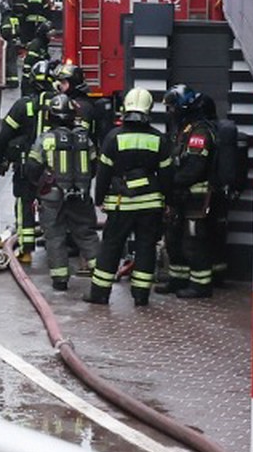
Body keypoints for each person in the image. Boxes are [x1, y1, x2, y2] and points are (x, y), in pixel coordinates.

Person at [86, 88, 172, 307]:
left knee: (111, 247)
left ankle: (100, 293)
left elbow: (103, 172)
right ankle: (141, 295)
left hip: (121, 203)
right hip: (151, 204)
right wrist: (168, 201)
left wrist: (99, 199)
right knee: (145, 247)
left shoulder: (113, 137)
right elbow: (166, 176)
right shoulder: (158, 139)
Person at [25, 93, 98, 291]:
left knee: (55, 236)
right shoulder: (85, 139)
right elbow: (94, 166)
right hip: (81, 195)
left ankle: (60, 279)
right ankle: (101, 275)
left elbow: (31, 167)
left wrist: (38, 185)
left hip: (52, 197)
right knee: (86, 233)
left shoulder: (46, 139)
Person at [163, 83, 224, 299]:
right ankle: (177, 278)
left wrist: (171, 182)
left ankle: (201, 285)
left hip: (197, 197)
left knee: (194, 240)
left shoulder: (200, 131)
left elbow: (195, 168)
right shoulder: (183, 129)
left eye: (172, 107)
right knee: (173, 237)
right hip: (181, 195)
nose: (170, 112)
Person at [0, 58, 51, 264]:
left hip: (26, 164)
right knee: (55, 205)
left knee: (25, 202)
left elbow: (5, 135)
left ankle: (26, 250)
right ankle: (56, 246)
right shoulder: (61, 103)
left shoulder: (23, 105)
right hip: (55, 167)